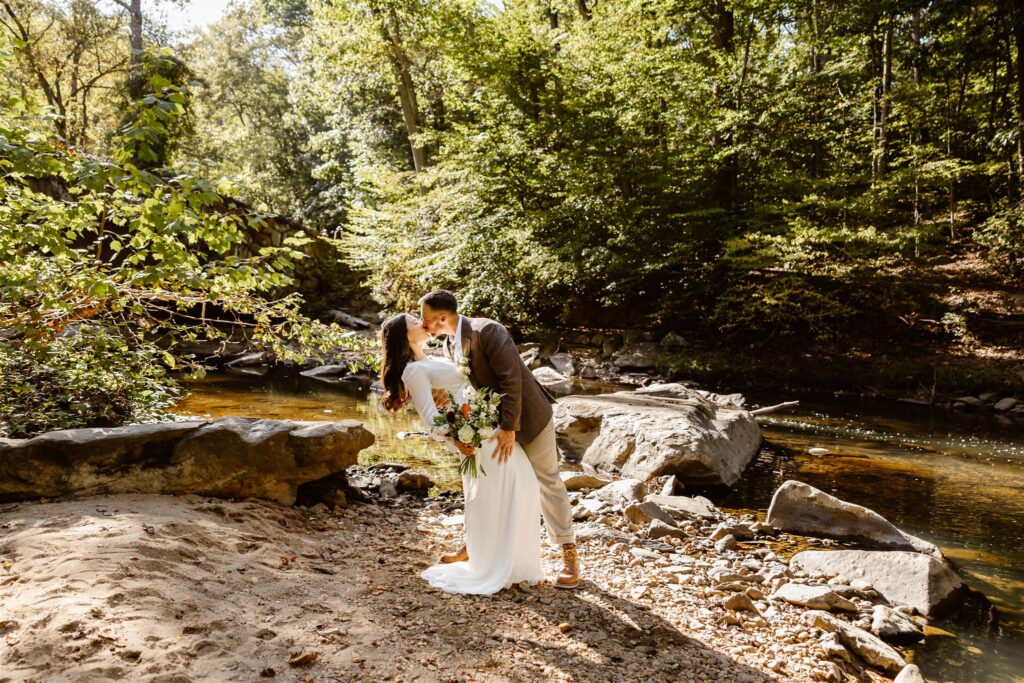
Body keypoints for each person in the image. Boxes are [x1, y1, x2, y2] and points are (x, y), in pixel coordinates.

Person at [418, 290, 579, 589]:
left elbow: (511, 378)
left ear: (441, 318)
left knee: (548, 480)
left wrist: (509, 427)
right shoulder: (449, 345)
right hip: (491, 424)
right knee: (489, 480)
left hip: (529, 418)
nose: (423, 323)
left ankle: (568, 552)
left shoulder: (488, 330)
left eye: (426, 318)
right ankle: (479, 548)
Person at [379, 313, 544, 595]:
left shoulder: (428, 360)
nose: (422, 322)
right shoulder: (413, 370)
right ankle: (492, 564)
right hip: (474, 437)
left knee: (521, 488)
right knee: (502, 493)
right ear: (403, 334)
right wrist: (457, 440)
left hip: (488, 427)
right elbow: (431, 418)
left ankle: (512, 562)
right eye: (414, 321)